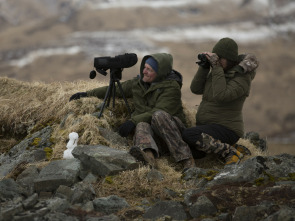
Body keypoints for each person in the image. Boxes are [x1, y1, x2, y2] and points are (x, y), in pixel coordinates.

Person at [70, 53, 195, 170]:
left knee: (158, 115)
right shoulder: (138, 83)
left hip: (173, 132)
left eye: (149, 70)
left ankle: (186, 159)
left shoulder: (171, 87)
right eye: (144, 67)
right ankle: (148, 158)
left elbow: (161, 110)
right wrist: (86, 94)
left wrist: (133, 121)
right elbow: (115, 90)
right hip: (155, 137)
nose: (144, 72)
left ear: (160, 73)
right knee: (142, 124)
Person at [182, 37, 259, 165]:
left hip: (227, 128)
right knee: (193, 151)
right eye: (215, 58)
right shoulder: (220, 71)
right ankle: (232, 147)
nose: (216, 61)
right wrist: (204, 67)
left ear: (229, 59)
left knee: (189, 135)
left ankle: (230, 152)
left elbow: (221, 95)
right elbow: (195, 89)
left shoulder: (242, 79)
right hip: (209, 126)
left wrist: (216, 67)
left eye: (219, 58)